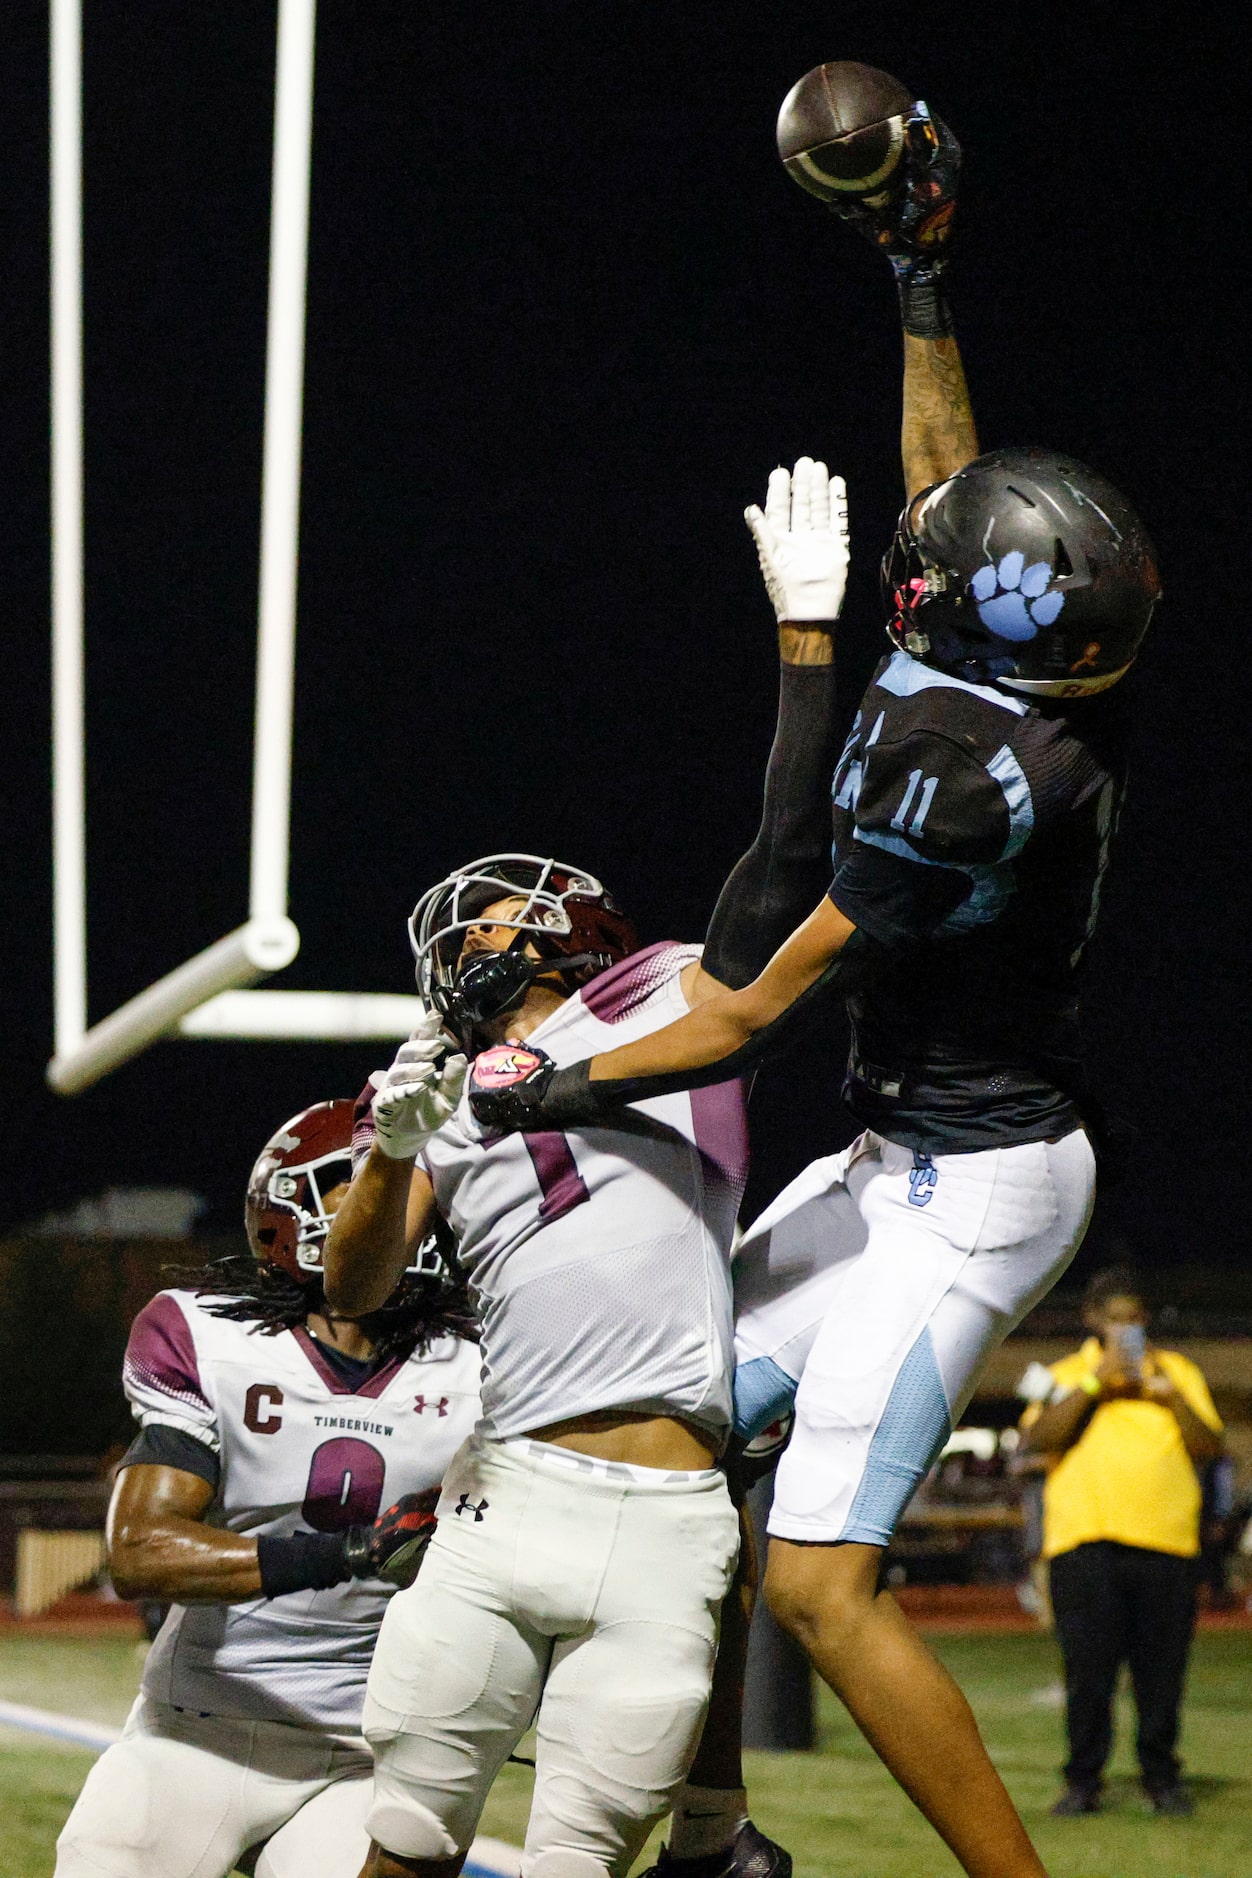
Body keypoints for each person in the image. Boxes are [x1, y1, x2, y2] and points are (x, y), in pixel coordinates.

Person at [468, 91, 1161, 1878]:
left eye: (932, 574)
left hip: (971, 1188)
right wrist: (919, 278)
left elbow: (750, 1005)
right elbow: (952, 496)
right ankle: (707, 1832)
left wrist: (527, 1091)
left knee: (823, 1581)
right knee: (671, 1455)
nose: (915, 555)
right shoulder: (1016, 684)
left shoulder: (970, 785)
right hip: (895, 1155)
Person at [322, 472, 851, 1878]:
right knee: (406, 1845)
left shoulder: (666, 996)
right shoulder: (425, 1093)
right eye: (496, 912)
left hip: (672, 1513)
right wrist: (386, 1151)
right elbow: (355, 1290)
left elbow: (786, 852)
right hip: (507, 1496)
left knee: (579, 1861)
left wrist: (808, 637)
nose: (514, 910)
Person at [56, 1100, 482, 1878]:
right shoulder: (211, 1336)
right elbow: (140, 1552)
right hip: (198, 1729)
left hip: (370, 1745)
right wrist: (352, 1552)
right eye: (349, 1191)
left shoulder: (484, 1362)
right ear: (280, 1216)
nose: (385, 1215)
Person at [1020, 1266, 1223, 1816]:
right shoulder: (1066, 1374)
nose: (1125, 1330)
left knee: (1162, 1675)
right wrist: (1096, 1384)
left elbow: (1210, 1445)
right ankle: (1083, 1781)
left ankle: (1162, 1778)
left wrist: (1171, 1398)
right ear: (1092, 1321)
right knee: (1088, 1675)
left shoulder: (1176, 1371)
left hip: (1167, 1546)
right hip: (1086, 1547)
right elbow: (1037, 1439)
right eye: (1114, 1320)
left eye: (1134, 1319)